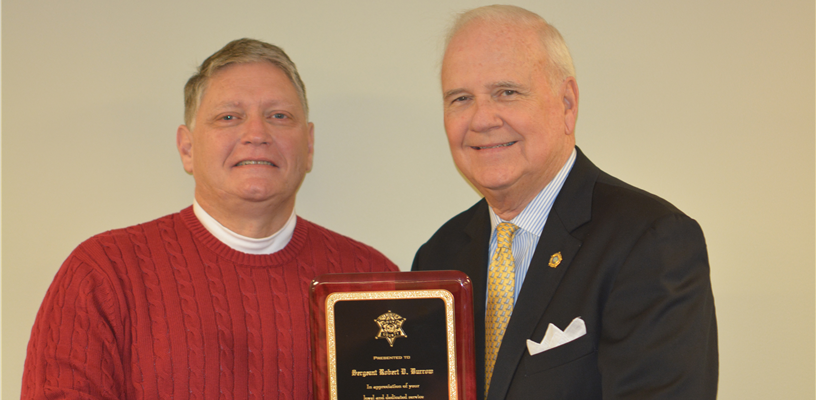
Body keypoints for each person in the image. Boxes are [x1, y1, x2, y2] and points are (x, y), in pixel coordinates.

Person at [22, 38, 398, 400]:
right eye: (229, 117)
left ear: (309, 145)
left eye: (279, 116)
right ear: (187, 148)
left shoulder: (372, 279)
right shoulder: (104, 273)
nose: (256, 134)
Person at [412, 6, 718, 400]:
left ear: (567, 103)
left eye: (507, 92)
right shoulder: (437, 258)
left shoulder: (650, 241)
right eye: (460, 98)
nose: (482, 119)